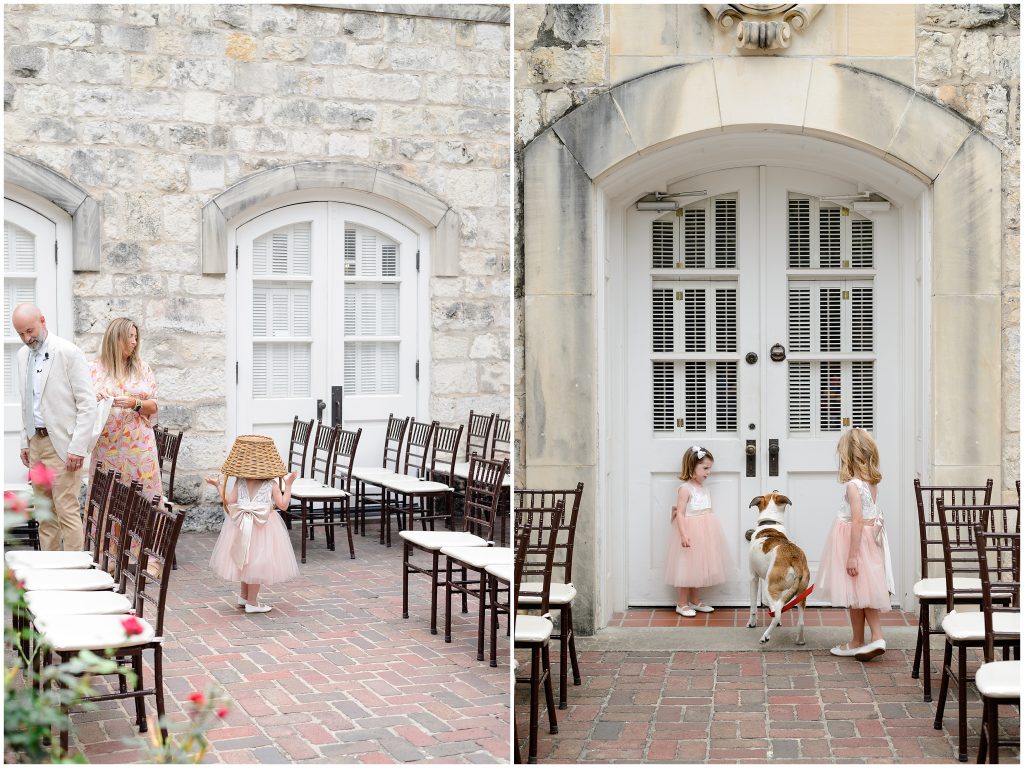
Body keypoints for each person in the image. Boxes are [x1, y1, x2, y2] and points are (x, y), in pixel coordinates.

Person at [11, 303, 97, 551]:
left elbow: (87, 404)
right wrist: (24, 441)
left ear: (43, 320)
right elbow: (26, 401)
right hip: (35, 444)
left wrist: (78, 448)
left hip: (63, 446)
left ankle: (74, 573)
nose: (27, 338)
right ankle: (49, 570)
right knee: (45, 514)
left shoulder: (68, 352)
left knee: (66, 510)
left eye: (30, 330)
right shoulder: (21, 356)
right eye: (21, 334)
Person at [817, 428, 894, 661]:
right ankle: (858, 641)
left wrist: (852, 555)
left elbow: (857, 519)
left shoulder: (853, 485)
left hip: (856, 543)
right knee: (861, 592)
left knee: (861, 592)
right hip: (869, 541)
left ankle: (876, 637)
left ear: (848, 457)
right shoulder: (871, 483)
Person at [205, 435, 300, 614]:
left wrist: (218, 485)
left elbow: (227, 502)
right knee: (257, 562)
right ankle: (253, 603)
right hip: (262, 526)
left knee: (244, 560)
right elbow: (283, 505)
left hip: (241, 524)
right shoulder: (271, 484)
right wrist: (288, 485)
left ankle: (243, 596)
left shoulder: (240, 481)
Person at [90, 317, 162, 498]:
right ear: (115, 338)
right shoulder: (93, 369)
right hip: (106, 446)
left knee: (141, 497)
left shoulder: (142, 369)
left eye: (135, 337)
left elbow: (154, 405)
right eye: (129, 336)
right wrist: (95, 399)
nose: (134, 342)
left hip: (139, 446)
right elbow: (81, 405)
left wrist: (134, 403)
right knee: (107, 496)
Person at [663, 445, 732, 617]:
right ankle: (681, 603)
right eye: (705, 468)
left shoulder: (704, 488)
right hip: (690, 531)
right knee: (686, 567)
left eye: (710, 469)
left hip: (706, 531)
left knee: (698, 567)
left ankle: (695, 601)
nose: (708, 472)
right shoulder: (685, 489)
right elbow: (680, 513)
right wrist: (684, 534)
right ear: (692, 466)